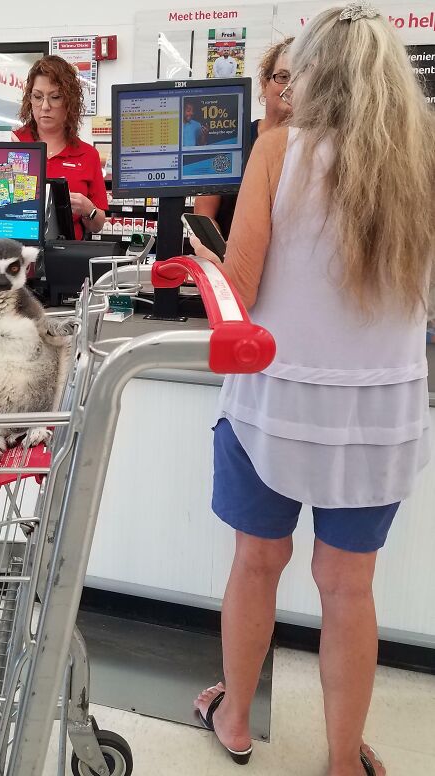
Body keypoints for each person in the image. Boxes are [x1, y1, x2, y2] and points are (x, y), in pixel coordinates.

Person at [190, 5, 435, 776]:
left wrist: (202, 255)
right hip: (381, 413)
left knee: (256, 563)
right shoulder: (423, 157)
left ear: (314, 74)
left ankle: (233, 716)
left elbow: (244, 285)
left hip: (274, 404)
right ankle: (339, 759)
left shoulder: (275, 150)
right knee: (349, 588)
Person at [195, 38, 293, 240]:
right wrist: (220, 257)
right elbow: (204, 213)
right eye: (283, 76)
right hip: (230, 263)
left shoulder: (314, 148)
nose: (291, 86)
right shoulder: (229, 140)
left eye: (300, 78)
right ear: (264, 84)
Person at [13, 55, 107, 240]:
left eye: (55, 97)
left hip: (64, 257)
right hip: (16, 254)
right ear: (29, 99)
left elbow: (97, 225)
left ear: (69, 102)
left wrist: (89, 210)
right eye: (38, 97)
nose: (45, 106)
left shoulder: (87, 155)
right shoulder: (13, 143)